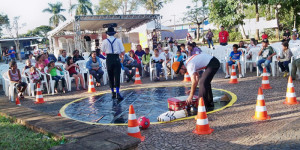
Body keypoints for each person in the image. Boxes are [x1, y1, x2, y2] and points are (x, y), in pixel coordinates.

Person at [101, 27, 125, 100]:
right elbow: (123, 51)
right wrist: (121, 55)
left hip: (109, 59)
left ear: (108, 34)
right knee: (117, 75)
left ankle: (112, 93)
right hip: (116, 58)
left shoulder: (105, 41)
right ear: (114, 34)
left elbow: (103, 51)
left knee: (110, 75)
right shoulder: (118, 41)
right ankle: (117, 92)